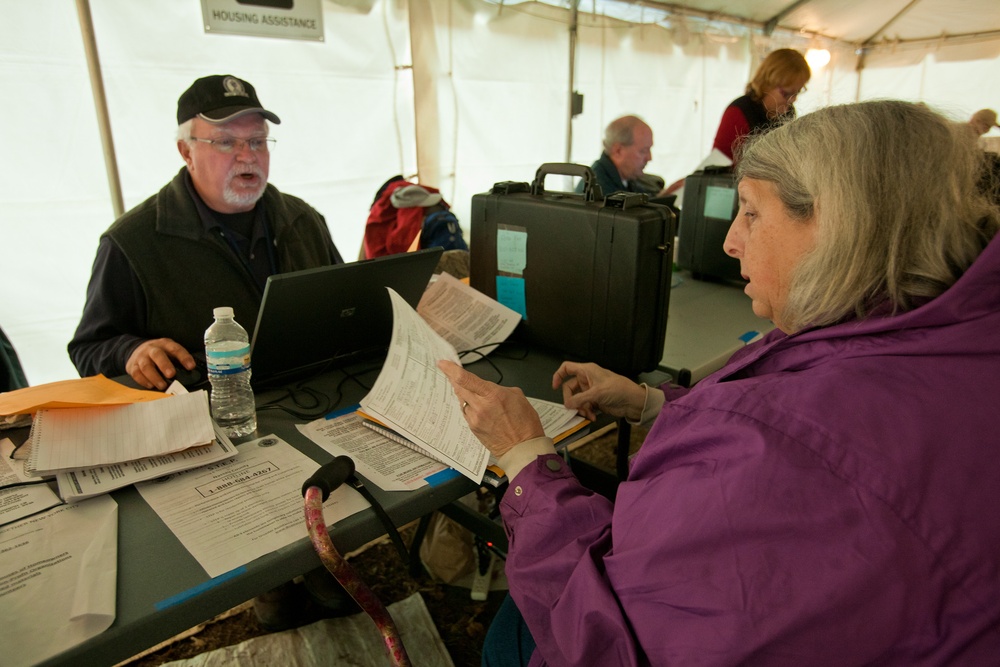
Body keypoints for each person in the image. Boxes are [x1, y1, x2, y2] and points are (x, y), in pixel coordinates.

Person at [439, 100, 1000, 664]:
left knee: (509, 633)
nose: (731, 241)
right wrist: (654, 402)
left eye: (752, 213)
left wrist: (524, 458)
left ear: (840, 226)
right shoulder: (957, 342)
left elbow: (603, 645)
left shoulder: (767, 454)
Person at [68, 74, 344, 390]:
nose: (248, 156)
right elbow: (87, 350)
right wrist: (129, 351)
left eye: (257, 141)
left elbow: (344, 306)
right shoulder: (132, 242)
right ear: (186, 152)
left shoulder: (303, 219)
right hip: (213, 419)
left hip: (317, 399)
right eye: (226, 142)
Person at [712, 48, 811, 162]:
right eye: (786, 93)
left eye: (797, 92)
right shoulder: (739, 111)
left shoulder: (789, 113)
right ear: (767, 83)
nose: (793, 99)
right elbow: (718, 163)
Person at [576, 115, 662, 197]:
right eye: (643, 151)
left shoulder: (624, 178)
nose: (649, 158)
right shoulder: (599, 191)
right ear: (618, 151)